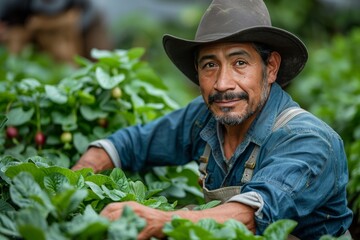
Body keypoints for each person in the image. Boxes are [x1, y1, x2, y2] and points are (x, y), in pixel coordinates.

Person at [72, 0, 353, 239]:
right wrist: (79, 176)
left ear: (270, 67)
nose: (222, 84)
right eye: (210, 65)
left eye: (239, 63)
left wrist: (161, 218)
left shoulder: (308, 139)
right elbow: (133, 143)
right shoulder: (206, 117)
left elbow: (247, 215)